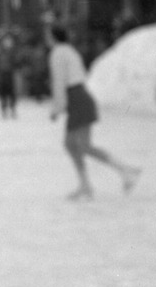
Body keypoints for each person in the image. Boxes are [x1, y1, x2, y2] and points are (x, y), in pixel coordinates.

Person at [48, 25, 139, 200]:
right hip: (80, 96)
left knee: (81, 145)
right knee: (73, 145)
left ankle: (125, 171)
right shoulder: (70, 51)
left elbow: (59, 81)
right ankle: (87, 184)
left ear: (53, 37)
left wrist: (57, 108)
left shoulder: (58, 53)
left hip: (76, 98)